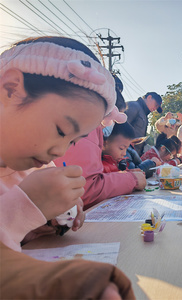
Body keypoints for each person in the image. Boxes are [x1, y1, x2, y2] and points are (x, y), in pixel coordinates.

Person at [0, 36, 134, 299]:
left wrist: (57, 215)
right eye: (61, 130)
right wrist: (25, 208)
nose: (61, 151)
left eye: (73, 141)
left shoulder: (35, 166)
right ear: (10, 89)